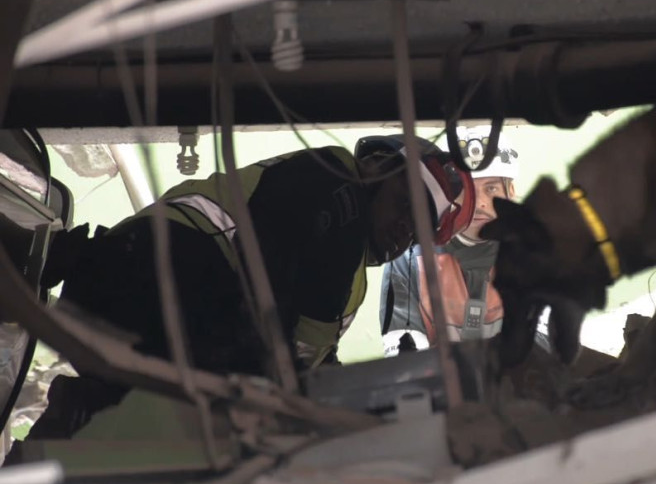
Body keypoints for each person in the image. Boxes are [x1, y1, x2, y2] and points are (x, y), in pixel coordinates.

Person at [30, 134, 473, 438]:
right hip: (150, 284)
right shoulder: (335, 184)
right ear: (376, 169)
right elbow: (271, 322)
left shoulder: (346, 269)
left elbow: (309, 360)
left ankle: (79, 424)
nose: (403, 231)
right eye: (403, 205)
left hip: (142, 310)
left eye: (415, 232)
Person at [379, 126, 550, 356]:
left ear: (511, 191)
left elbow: (546, 347)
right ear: (449, 194)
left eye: (491, 189)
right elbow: (403, 355)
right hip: (441, 385)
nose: (479, 203)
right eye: (467, 190)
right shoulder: (410, 256)